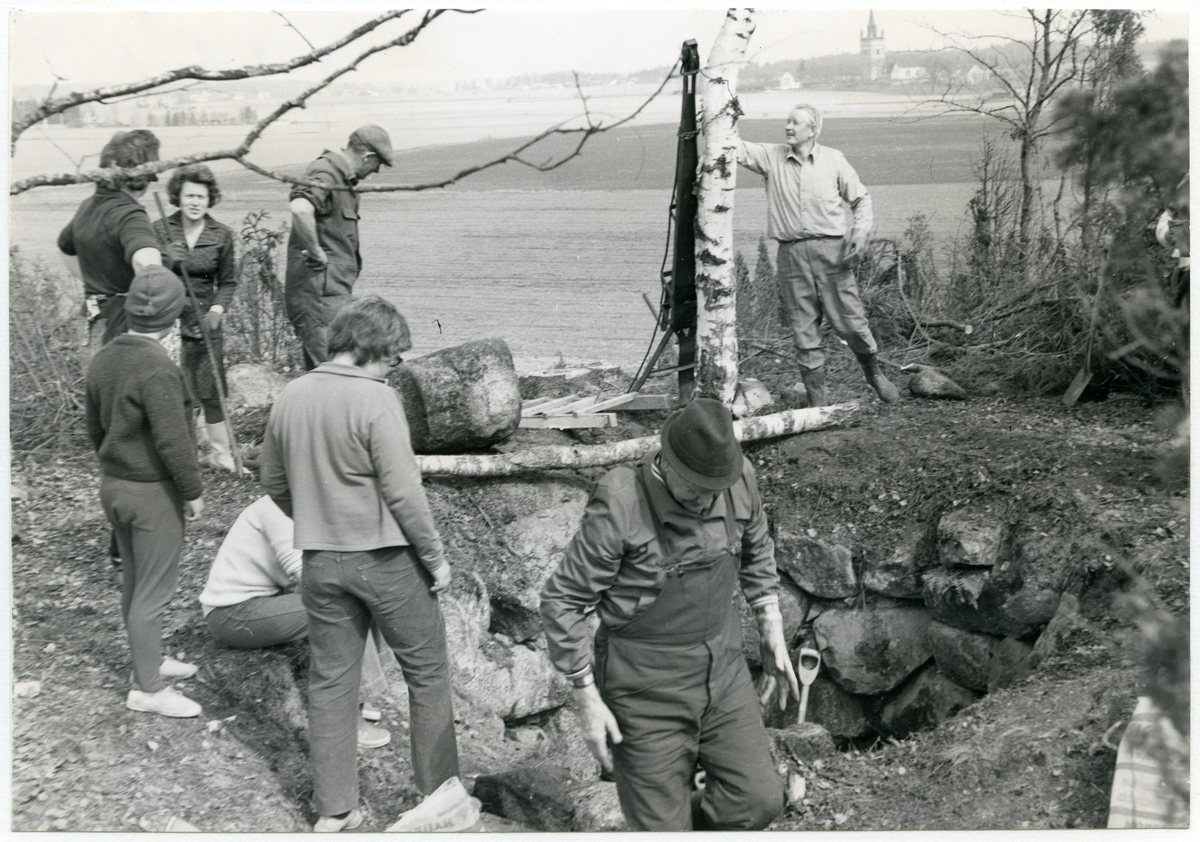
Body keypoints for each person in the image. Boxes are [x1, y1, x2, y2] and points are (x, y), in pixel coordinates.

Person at [540, 397, 800, 831]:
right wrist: (586, 696)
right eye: (696, 488)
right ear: (667, 460)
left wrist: (770, 625)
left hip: (724, 670)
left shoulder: (737, 479)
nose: (706, 500)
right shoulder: (622, 501)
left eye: (714, 490)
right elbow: (562, 600)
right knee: (662, 828)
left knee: (757, 801)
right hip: (645, 688)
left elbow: (757, 546)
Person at [259, 295, 462, 832]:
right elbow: (404, 491)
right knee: (427, 673)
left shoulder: (291, 394)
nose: (396, 367)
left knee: (331, 682)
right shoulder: (377, 399)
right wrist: (436, 559)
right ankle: (440, 801)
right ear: (373, 348)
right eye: (394, 356)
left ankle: (335, 810)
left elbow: (272, 481)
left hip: (320, 561)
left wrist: (317, 517)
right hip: (385, 559)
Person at [85, 266, 205, 719]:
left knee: (135, 581)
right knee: (153, 591)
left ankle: (148, 661)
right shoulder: (159, 369)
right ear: (173, 319)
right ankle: (148, 689)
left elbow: (94, 427)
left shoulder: (104, 358)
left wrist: (113, 463)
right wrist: (192, 491)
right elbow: (174, 441)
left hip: (113, 485)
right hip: (152, 493)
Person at [198, 494, 396, 749]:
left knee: (366, 595)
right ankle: (348, 720)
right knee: (345, 609)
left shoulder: (313, 505)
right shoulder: (277, 507)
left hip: (264, 601)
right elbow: (306, 577)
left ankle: (364, 692)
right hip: (231, 614)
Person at [736, 103, 899, 407]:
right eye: (787, 121)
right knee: (803, 327)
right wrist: (722, 115)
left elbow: (861, 200)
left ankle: (873, 373)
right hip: (791, 255)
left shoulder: (833, 160)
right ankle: (817, 402)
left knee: (850, 320)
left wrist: (860, 233)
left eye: (795, 122)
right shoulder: (770, 156)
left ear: (813, 130)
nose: (788, 127)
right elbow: (734, 147)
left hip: (832, 253)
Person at [152, 164, 243, 473]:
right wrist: (165, 259)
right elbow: (145, 275)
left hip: (205, 324)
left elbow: (228, 282)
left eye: (201, 196)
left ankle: (220, 454)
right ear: (178, 197)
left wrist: (217, 310)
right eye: (189, 195)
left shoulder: (221, 235)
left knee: (212, 393)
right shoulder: (159, 230)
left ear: (210, 198)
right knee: (177, 395)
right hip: (167, 323)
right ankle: (181, 458)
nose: (195, 202)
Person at [285, 124, 394, 370]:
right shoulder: (326, 171)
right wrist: (316, 252)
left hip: (331, 294)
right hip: (319, 296)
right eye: (377, 163)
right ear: (367, 156)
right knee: (334, 371)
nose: (376, 170)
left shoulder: (342, 181)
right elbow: (300, 208)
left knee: (328, 370)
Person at [58, 129, 166, 362]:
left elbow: (65, 247)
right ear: (143, 177)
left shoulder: (88, 206)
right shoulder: (130, 214)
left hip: (91, 325)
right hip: (123, 328)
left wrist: (94, 283)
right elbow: (147, 264)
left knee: (97, 383)